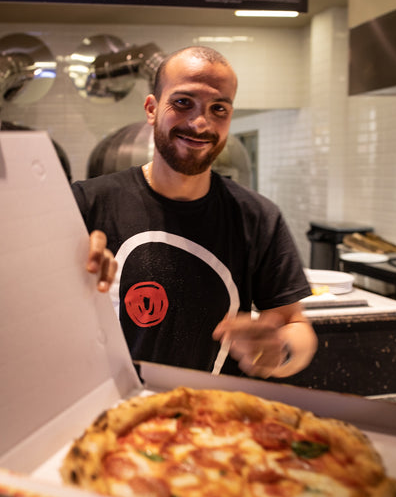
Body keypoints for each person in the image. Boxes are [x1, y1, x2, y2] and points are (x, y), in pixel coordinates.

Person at [72, 46, 317, 379]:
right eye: (183, 103)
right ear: (151, 108)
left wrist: (278, 345)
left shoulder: (257, 216)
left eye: (219, 108)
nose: (201, 123)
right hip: (111, 412)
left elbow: (295, 324)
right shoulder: (87, 203)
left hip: (212, 418)